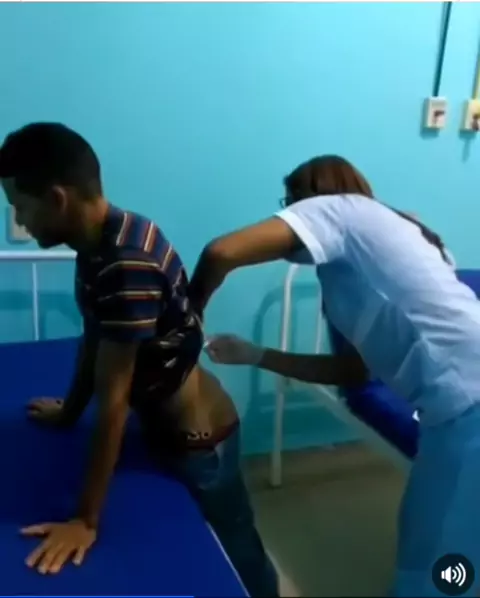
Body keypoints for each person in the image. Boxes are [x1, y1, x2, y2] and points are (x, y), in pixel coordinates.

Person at [0, 122, 278, 597]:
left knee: (238, 553)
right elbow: (96, 335)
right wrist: (69, 411)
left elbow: (114, 402)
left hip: (198, 443)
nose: (20, 221)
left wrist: (85, 520)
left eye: (20, 206)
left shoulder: (125, 264)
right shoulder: (107, 237)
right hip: (165, 426)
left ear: (57, 199)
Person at [188, 155, 480, 597]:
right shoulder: (355, 266)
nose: (288, 214)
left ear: (309, 199)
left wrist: (189, 313)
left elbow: (220, 252)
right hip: (450, 411)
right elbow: (351, 372)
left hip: (468, 399)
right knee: (425, 535)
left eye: (290, 202)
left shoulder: (341, 210)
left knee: (440, 558)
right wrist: (255, 354)